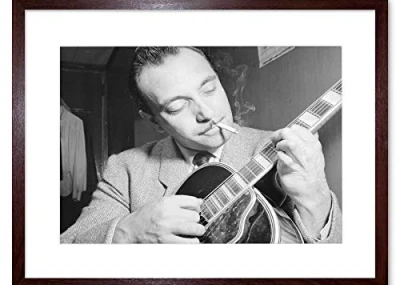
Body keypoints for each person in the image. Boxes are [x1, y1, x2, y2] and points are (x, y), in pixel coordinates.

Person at [61, 47, 342, 244]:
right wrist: (129, 232)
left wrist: (315, 196)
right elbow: (66, 248)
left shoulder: (283, 153)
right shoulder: (126, 170)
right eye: (177, 106)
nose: (206, 113)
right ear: (155, 121)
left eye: (209, 89)